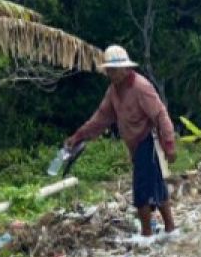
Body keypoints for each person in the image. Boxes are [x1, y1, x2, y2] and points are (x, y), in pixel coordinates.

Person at [66, 45, 178, 242]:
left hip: (147, 141)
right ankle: (169, 229)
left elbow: (161, 115)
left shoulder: (140, 87)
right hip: (135, 145)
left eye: (114, 70)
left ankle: (147, 233)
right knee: (156, 185)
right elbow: (100, 118)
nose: (111, 74)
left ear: (126, 69)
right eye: (109, 70)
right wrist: (78, 136)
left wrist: (169, 144)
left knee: (142, 188)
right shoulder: (113, 91)